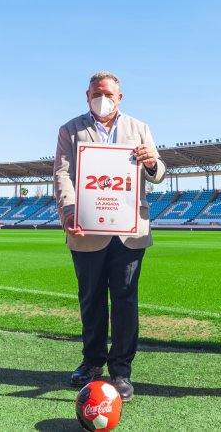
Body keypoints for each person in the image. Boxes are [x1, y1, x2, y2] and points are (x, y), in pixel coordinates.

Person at [53, 71, 166, 402]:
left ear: (120, 97)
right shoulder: (70, 130)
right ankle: (92, 362)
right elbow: (62, 173)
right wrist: (69, 212)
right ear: (87, 95)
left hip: (129, 230)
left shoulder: (139, 128)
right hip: (86, 228)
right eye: (97, 92)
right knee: (90, 298)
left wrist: (151, 163)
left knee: (126, 301)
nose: (103, 98)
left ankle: (121, 370)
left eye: (110, 94)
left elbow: (158, 173)